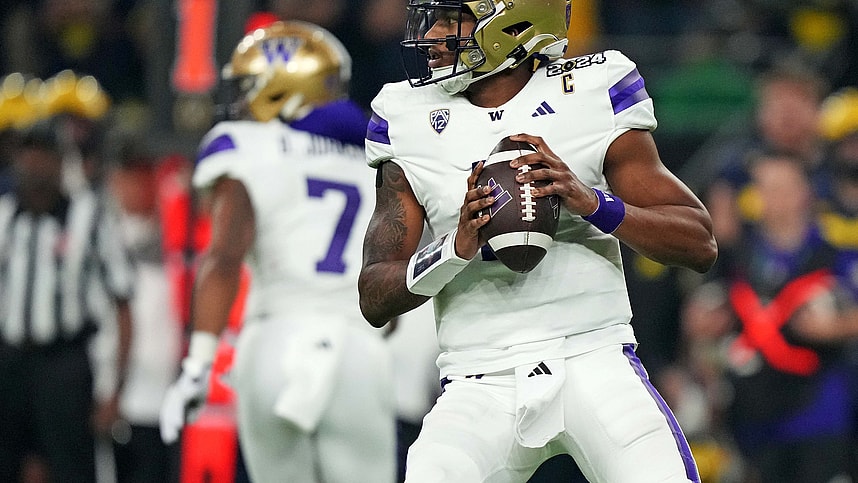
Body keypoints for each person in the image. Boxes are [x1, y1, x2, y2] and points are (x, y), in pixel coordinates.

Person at [358, 1, 717, 482]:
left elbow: (699, 243)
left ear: (510, 23)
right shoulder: (405, 115)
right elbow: (373, 295)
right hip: (476, 377)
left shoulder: (590, 88)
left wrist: (591, 202)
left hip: (595, 355)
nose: (433, 34)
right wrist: (454, 249)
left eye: (452, 19)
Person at [158, 20, 397, 483]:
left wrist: (198, 365)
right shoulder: (376, 158)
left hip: (273, 345)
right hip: (357, 349)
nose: (242, 102)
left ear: (279, 89)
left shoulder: (245, 145)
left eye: (250, 88)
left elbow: (224, 257)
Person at [0, 120, 135, 482]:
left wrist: (115, 391)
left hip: (65, 365)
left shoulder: (89, 216)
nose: (35, 165)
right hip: (9, 361)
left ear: (61, 162)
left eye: (44, 155)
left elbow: (122, 302)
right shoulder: (4, 216)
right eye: (28, 154)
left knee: (70, 468)